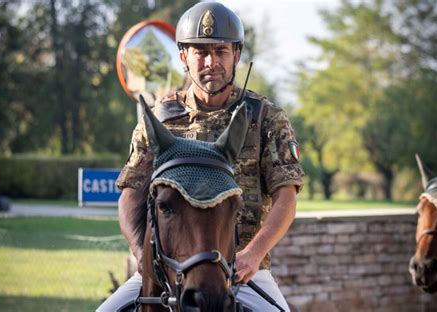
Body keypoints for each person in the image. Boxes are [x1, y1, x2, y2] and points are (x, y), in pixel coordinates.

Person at [97, 2, 304, 311]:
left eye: (220, 51)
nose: (211, 62)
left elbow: (286, 196)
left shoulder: (266, 117)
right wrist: (142, 255)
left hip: (242, 271)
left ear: (236, 55)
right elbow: (130, 194)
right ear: (183, 57)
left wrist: (254, 254)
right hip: (168, 270)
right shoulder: (159, 118)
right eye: (200, 52)